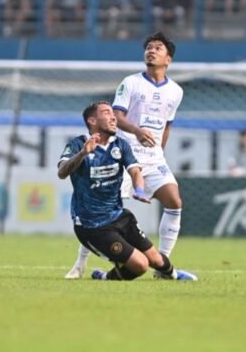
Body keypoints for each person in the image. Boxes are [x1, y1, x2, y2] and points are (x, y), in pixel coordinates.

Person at [65, 32, 185, 279]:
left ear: (168, 59)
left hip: (153, 158)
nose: (151, 51)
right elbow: (117, 117)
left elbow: (167, 124)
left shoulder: (176, 91)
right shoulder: (130, 83)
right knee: (103, 209)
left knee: (174, 201)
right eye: (148, 47)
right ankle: (79, 264)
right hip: (125, 153)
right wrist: (138, 131)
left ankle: (162, 266)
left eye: (158, 48)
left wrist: (159, 150)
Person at [58, 101, 196, 281]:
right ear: (92, 120)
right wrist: (83, 153)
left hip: (120, 216)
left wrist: (139, 189)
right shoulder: (77, 144)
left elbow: (135, 171)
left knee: (155, 259)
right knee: (140, 265)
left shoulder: (120, 145)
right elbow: (62, 172)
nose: (113, 117)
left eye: (112, 113)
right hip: (92, 226)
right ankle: (104, 276)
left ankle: (172, 275)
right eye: (106, 113)